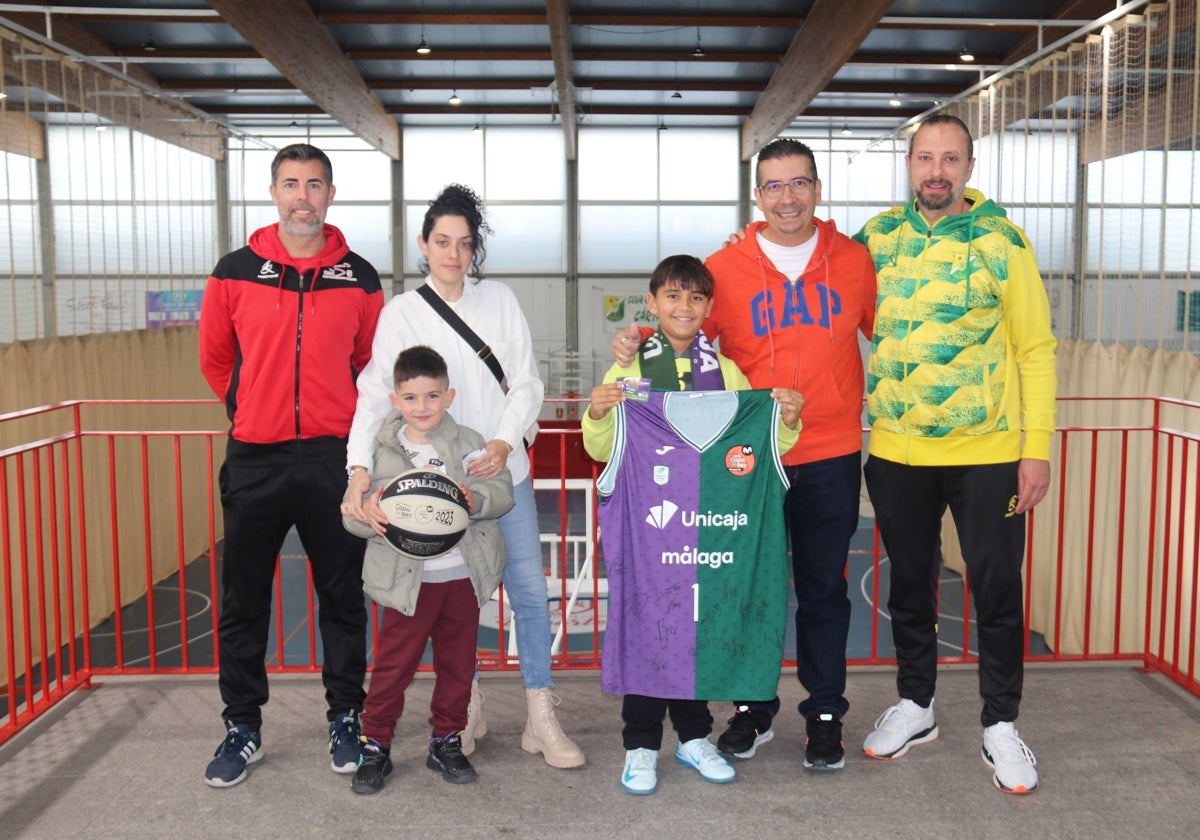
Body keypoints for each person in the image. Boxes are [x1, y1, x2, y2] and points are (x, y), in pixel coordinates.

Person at [612, 138, 875, 770]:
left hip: (828, 451)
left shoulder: (857, 263)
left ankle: (825, 714)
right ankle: (753, 710)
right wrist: (637, 338)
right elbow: (683, 330)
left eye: (800, 183)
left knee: (822, 592)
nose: (788, 197)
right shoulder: (723, 266)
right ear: (758, 196)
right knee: (743, 587)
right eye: (774, 186)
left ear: (817, 188)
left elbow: (890, 338)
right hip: (744, 466)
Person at [346, 183, 584, 768]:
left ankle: (539, 715)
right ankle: (466, 706)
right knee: (463, 598)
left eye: (464, 243)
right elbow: (376, 397)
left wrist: (504, 443)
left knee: (529, 593)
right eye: (441, 241)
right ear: (424, 245)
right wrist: (357, 472)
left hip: (502, 477)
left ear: (475, 250)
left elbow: (526, 382)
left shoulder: (500, 300)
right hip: (432, 484)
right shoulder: (401, 313)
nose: (452, 253)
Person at [853, 114, 1056, 794]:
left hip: (991, 454)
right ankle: (917, 705)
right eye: (925, 158)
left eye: (950, 158)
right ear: (909, 166)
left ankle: (1000, 724)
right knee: (910, 584)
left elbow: (1035, 350)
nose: (936, 170)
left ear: (969, 166)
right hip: (895, 453)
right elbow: (821, 293)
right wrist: (753, 240)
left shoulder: (1005, 242)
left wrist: (1035, 449)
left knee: (996, 587)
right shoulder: (876, 240)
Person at [198, 143, 384, 788]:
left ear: (331, 194)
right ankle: (242, 725)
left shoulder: (358, 276)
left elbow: (371, 365)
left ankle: (345, 718)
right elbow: (217, 358)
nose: (302, 196)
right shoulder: (234, 270)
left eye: (314, 184)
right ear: (273, 192)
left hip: (333, 459)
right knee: (243, 601)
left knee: (343, 599)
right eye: (290, 184)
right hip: (256, 458)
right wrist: (252, 411)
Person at [585, 254, 803, 795]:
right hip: (650, 535)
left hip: (706, 531)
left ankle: (692, 738)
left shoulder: (727, 372)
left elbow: (758, 447)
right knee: (647, 629)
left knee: (694, 633)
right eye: (673, 296)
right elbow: (601, 448)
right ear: (653, 302)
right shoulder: (628, 369)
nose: (684, 307)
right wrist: (595, 413)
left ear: (708, 307)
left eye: (696, 297)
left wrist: (789, 421)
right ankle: (639, 746)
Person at [344, 345, 514, 792]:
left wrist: (475, 501)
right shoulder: (378, 454)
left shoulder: (470, 443)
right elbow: (349, 514)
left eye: (433, 396)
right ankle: (375, 745)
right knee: (392, 669)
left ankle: (446, 741)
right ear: (396, 400)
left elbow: (502, 493)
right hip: (407, 586)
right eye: (412, 398)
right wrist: (368, 514)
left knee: (458, 667)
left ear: (450, 396)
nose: (423, 407)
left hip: (460, 577)